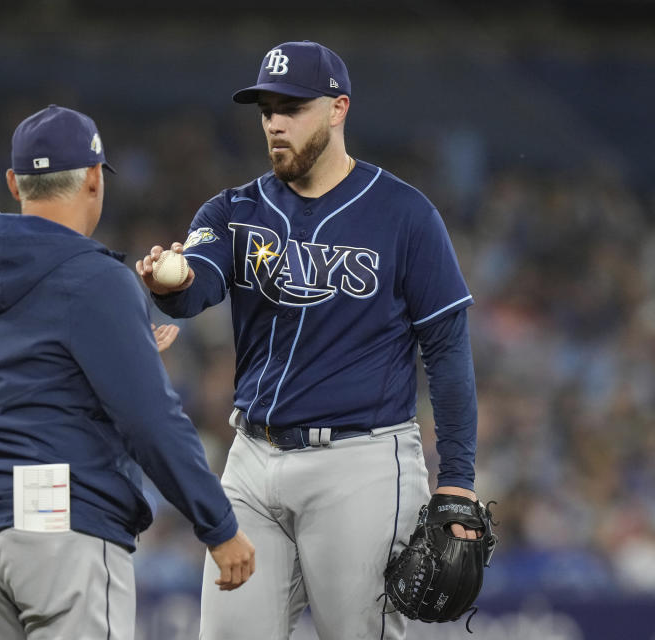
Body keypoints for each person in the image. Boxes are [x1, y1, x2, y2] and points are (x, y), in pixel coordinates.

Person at [136, 41, 482, 639]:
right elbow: (198, 284)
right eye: (267, 108)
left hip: (360, 464)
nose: (274, 121)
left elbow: (447, 350)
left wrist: (458, 478)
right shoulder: (234, 210)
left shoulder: (404, 214)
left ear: (337, 108)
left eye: (292, 106)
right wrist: (173, 280)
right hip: (251, 460)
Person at [0, 104, 255, 640]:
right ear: (92, 181)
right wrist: (217, 524)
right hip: (56, 519)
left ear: (15, 183)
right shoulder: (96, 278)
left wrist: (122, 349)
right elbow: (150, 418)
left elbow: (26, 371)